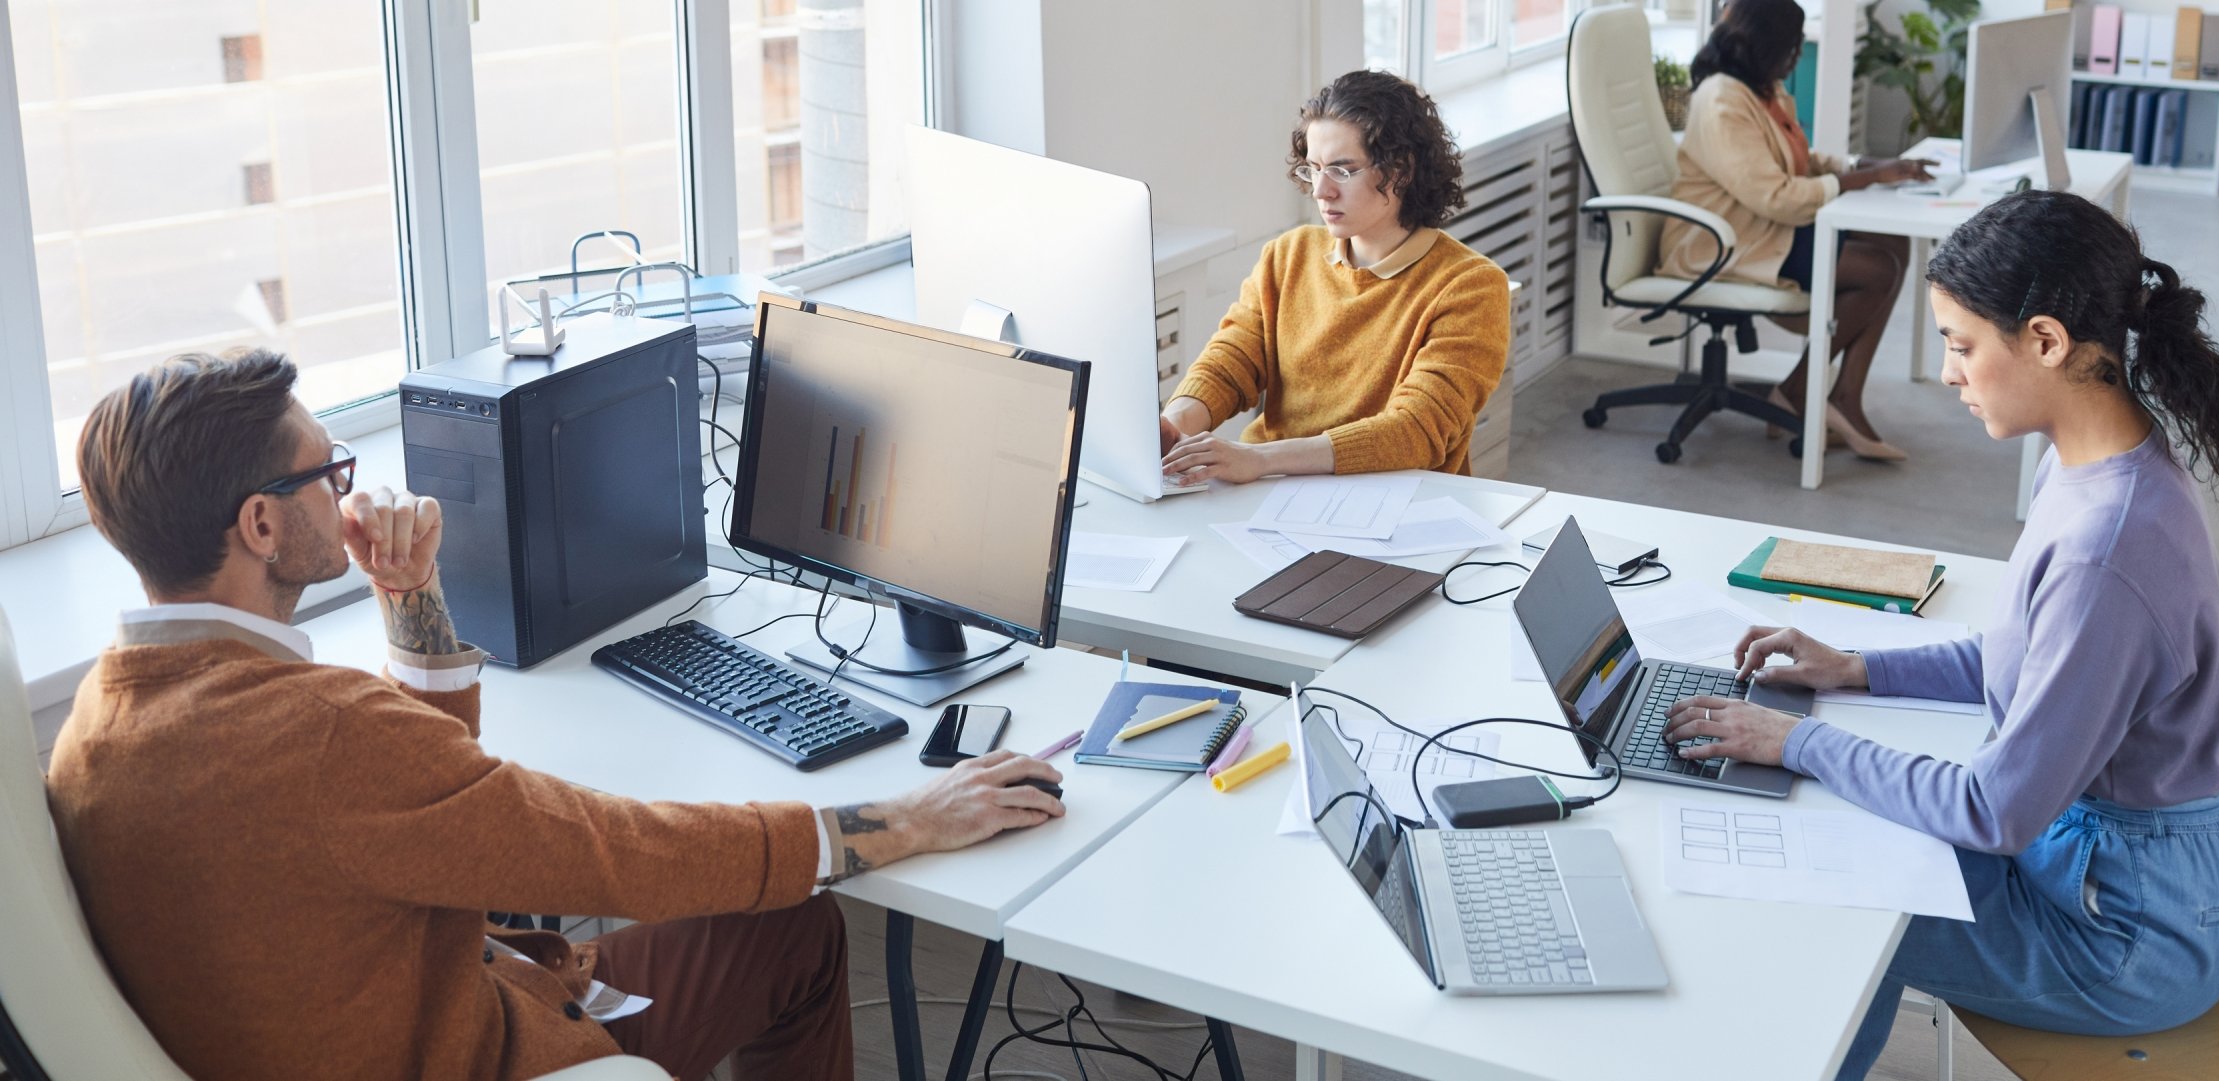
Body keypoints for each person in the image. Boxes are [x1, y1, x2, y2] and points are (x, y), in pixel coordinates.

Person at [47, 350, 1067, 1081]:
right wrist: (901, 822)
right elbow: (611, 852)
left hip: (371, 1014)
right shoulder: (317, 731)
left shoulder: (98, 720)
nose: (349, 492)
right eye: (329, 474)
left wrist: (407, 593)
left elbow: (427, 807)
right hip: (477, 1045)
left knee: (774, 923)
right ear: (262, 524)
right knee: (792, 926)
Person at [1657, 189, 2219, 1079]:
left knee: (1852, 904)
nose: (1947, 373)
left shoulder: (2109, 546)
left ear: (2048, 342)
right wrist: (1856, 668)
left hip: (2127, 934)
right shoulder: (2100, 458)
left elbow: (1994, 809)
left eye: (1961, 343)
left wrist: (1797, 739)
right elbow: (2027, 654)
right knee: (1856, 844)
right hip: (2101, 867)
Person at [1158, 69, 1512, 484]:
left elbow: (1417, 430)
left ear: (1400, 170)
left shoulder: (1470, 286)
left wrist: (1263, 460)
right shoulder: (1287, 255)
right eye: (1313, 168)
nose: (1321, 191)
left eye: (1342, 171)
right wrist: (1174, 424)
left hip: (1391, 504)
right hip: (1273, 493)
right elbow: (1230, 363)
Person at [1659, 0, 1936, 460]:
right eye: (1791, 47)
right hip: (1726, 242)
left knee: (1892, 242)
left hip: (1761, 228)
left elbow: (1798, 161)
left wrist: (1868, 164)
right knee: (1876, 270)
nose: (1796, 57)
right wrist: (1866, 179)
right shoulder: (1722, 99)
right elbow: (1778, 197)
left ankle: (1838, 396)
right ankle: (1802, 391)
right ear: (1763, 45)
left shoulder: (1763, 89)